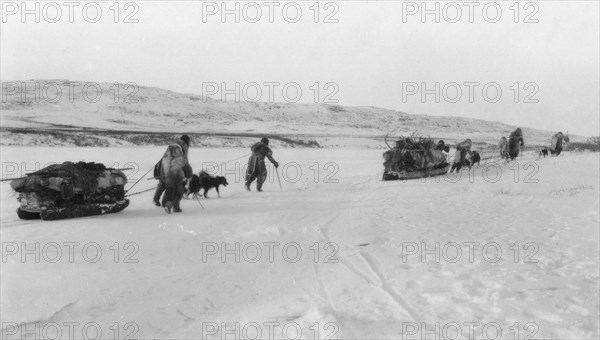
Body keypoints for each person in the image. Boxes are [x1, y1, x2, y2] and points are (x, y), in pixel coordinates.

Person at [153, 135, 193, 213]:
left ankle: (161, 201)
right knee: (179, 190)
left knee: (165, 185)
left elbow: (164, 158)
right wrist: (189, 174)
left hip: (164, 169)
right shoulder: (184, 147)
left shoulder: (171, 147)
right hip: (176, 171)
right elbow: (185, 162)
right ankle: (174, 206)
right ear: (187, 141)